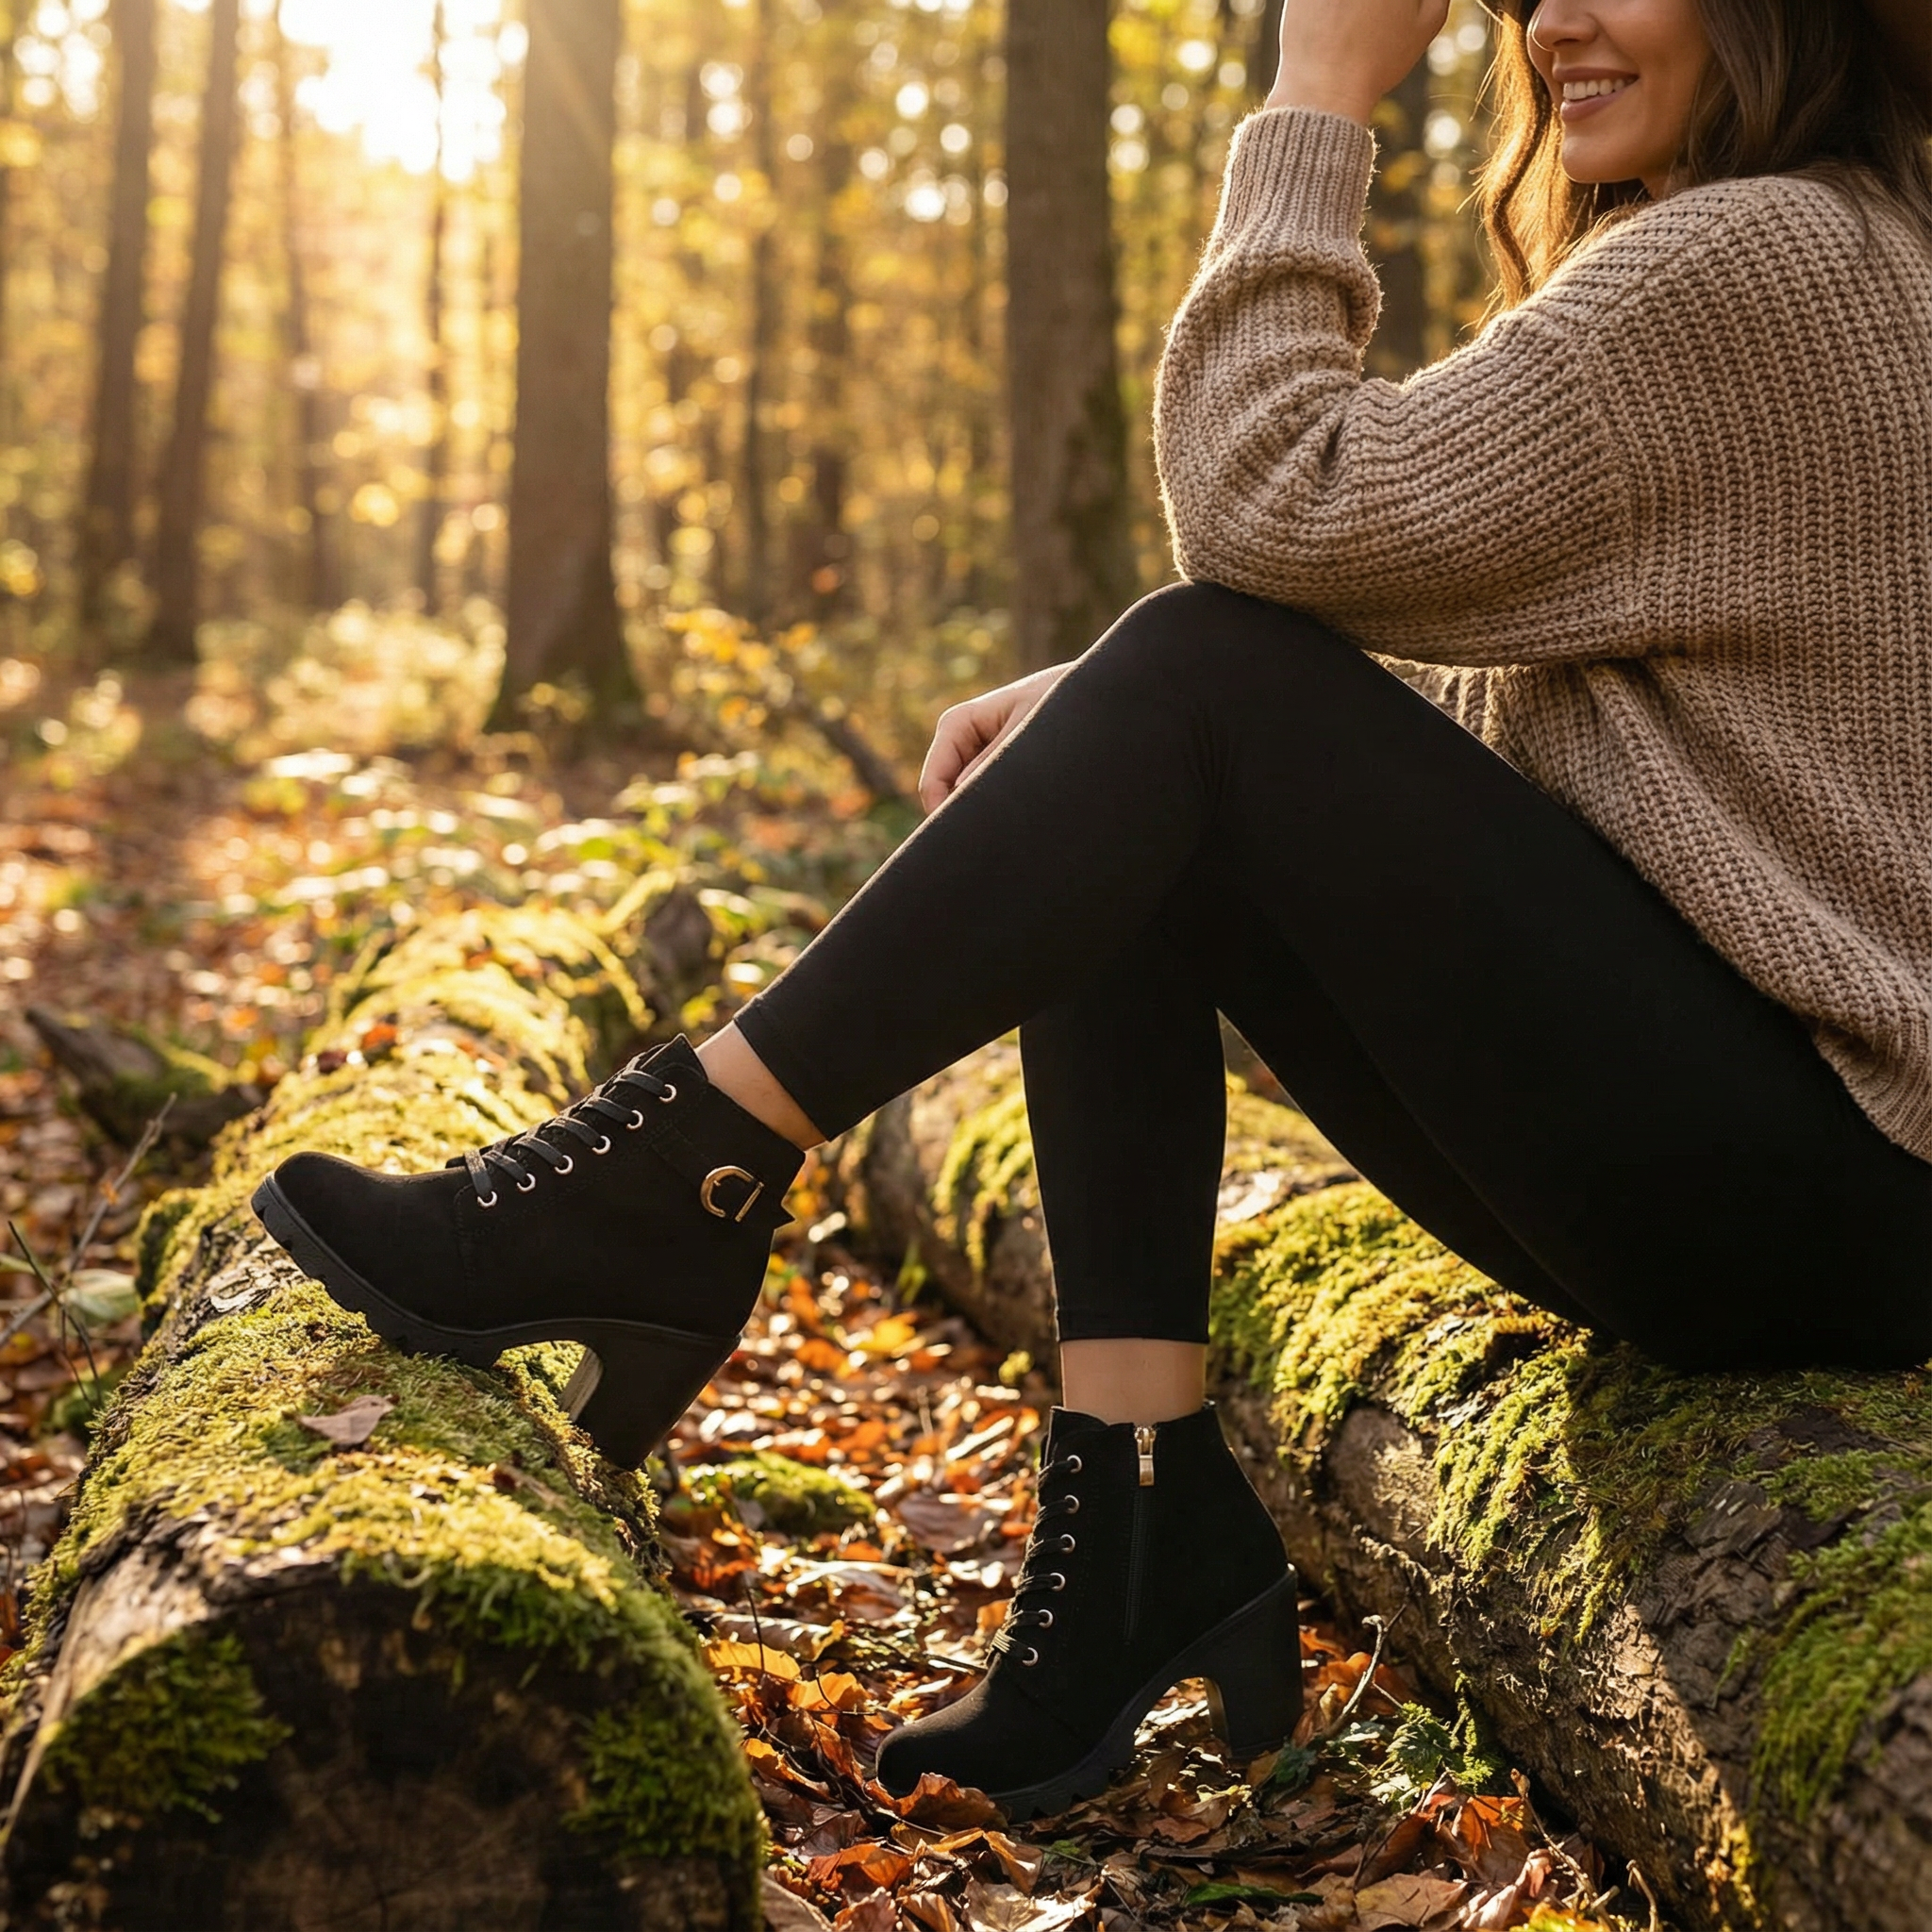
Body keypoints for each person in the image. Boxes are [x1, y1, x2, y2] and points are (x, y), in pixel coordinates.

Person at [253, 0, 1932, 1822]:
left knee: (1199, 678)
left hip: (1826, 1183)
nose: (1552, 17)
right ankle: (1136, 1496)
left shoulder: (1766, 253)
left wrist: (1314, 96)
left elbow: (1265, 502)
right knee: (1165, 745)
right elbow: (1615, 766)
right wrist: (1118, 725)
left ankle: (681, 1175)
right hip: (1800, 1182)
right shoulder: (1830, 251)